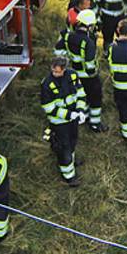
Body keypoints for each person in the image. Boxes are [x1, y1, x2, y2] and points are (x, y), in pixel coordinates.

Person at [40, 56, 86, 186]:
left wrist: (81, 110)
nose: (55, 73)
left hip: (73, 118)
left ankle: (70, 161)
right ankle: (69, 176)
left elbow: (81, 94)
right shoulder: (47, 83)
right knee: (63, 146)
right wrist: (70, 115)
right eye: (53, 71)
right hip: (58, 122)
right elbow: (48, 108)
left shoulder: (72, 75)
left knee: (73, 140)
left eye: (58, 71)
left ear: (64, 69)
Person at [65, 9, 104, 132]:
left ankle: (85, 117)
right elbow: (90, 64)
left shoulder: (68, 36)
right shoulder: (88, 42)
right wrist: (94, 74)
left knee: (83, 97)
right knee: (95, 99)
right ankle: (95, 124)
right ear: (89, 25)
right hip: (88, 76)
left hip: (74, 74)